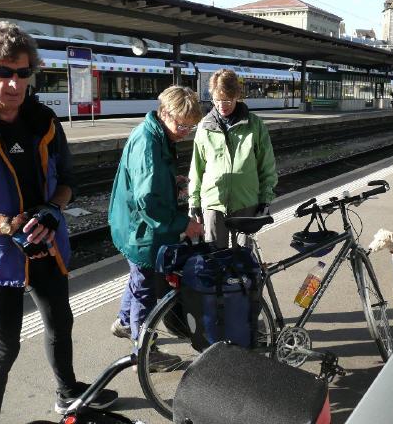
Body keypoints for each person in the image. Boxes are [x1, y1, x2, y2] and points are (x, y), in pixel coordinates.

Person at [0, 21, 118, 423]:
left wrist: (52, 209)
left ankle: (67, 392)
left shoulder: (44, 120)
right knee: (4, 348)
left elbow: (68, 181)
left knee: (60, 323)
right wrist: (6, 225)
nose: (14, 83)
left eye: (22, 73)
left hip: (47, 244)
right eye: (2, 71)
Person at [108, 85, 204, 367]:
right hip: (141, 230)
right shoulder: (149, 144)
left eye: (190, 127)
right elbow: (148, 201)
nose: (184, 132)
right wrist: (184, 224)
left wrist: (170, 183)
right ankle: (145, 353)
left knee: (138, 279)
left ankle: (125, 323)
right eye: (181, 125)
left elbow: (149, 183)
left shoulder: (156, 133)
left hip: (131, 225)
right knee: (146, 288)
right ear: (164, 112)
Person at [188, 68, 277, 249]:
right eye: (217, 100)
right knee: (215, 260)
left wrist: (265, 199)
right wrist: (194, 202)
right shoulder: (204, 127)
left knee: (244, 262)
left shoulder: (254, 125)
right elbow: (196, 168)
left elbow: (266, 165)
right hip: (213, 204)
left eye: (227, 99)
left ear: (237, 96)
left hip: (246, 204)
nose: (222, 105)